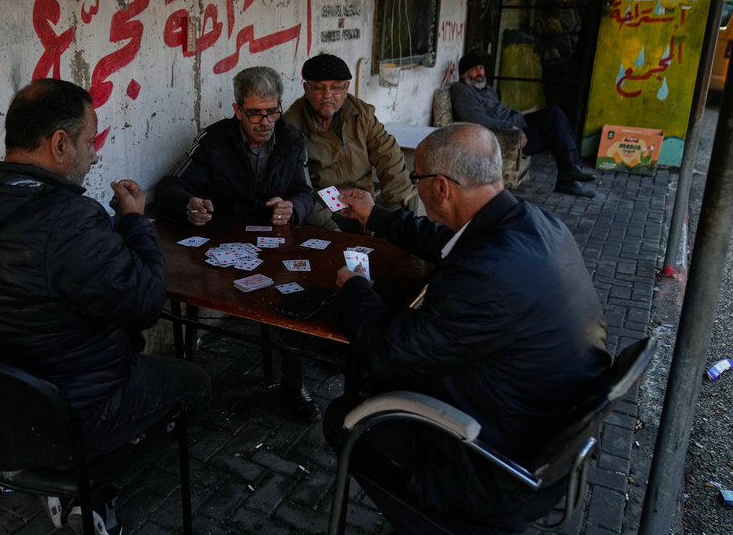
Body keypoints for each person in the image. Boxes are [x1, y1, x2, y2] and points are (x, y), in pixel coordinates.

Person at [0, 78, 211, 535]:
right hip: (69, 417)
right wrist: (133, 221)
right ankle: (90, 484)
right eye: (90, 141)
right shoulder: (66, 220)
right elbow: (146, 304)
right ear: (60, 144)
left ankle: (75, 481)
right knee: (195, 383)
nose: (94, 154)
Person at [325, 123, 611, 535]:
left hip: (501, 467)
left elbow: (388, 355)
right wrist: (375, 216)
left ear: (440, 187)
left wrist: (356, 290)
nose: (417, 188)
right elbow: (449, 243)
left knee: (347, 419)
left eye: (417, 180)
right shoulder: (533, 223)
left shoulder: (486, 276)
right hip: (545, 426)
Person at [155, 66, 319, 421]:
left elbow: (305, 192)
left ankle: (294, 385)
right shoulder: (213, 140)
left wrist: (293, 209)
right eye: (255, 112)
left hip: (273, 242)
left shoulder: (292, 140)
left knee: (292, 296)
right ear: (237, 110)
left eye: (272, 111)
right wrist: (189, 205)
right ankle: (188, 384)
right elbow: (171, 185)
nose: (265, 121)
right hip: (223, 243)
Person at [283, 53, 418, 232]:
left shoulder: (362, 114)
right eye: (319, 88)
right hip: (323, 216)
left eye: (336, 87)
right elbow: (297, 188)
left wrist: (386, 215)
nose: (328, 95)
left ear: (346, 89)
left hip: (366, 207)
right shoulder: (291, 126)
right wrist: (330, 226)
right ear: (307, 89)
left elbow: (390, 158)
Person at [450, 52, 597, 198]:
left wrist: (517, 118)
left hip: (517, 121)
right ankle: (569, 175)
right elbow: (479, 121)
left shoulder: (484, 87)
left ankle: (571, 170)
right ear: (463, 74)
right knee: (555, 130)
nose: (479, 72)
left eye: (481, 68)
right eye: (474, 69)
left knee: (555, 113)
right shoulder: (462, 91)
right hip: (506, 136)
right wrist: (513, 129)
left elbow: (500, 111)